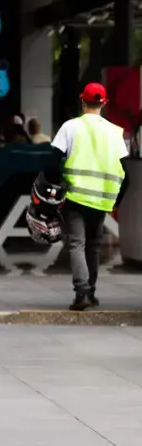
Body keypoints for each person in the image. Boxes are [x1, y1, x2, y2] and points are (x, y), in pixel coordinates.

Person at [47, 82, 128, 311]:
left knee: (76, 244)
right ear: (104, 103)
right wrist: (115, 201)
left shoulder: (70, 127)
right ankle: (90, 292)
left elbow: (52, 164)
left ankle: (81, 293)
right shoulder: (114, 132)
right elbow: (126, 174)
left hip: (74, 197)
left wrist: (55, 188)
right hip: (101, 200)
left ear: (83, 101)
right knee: (93, 247)